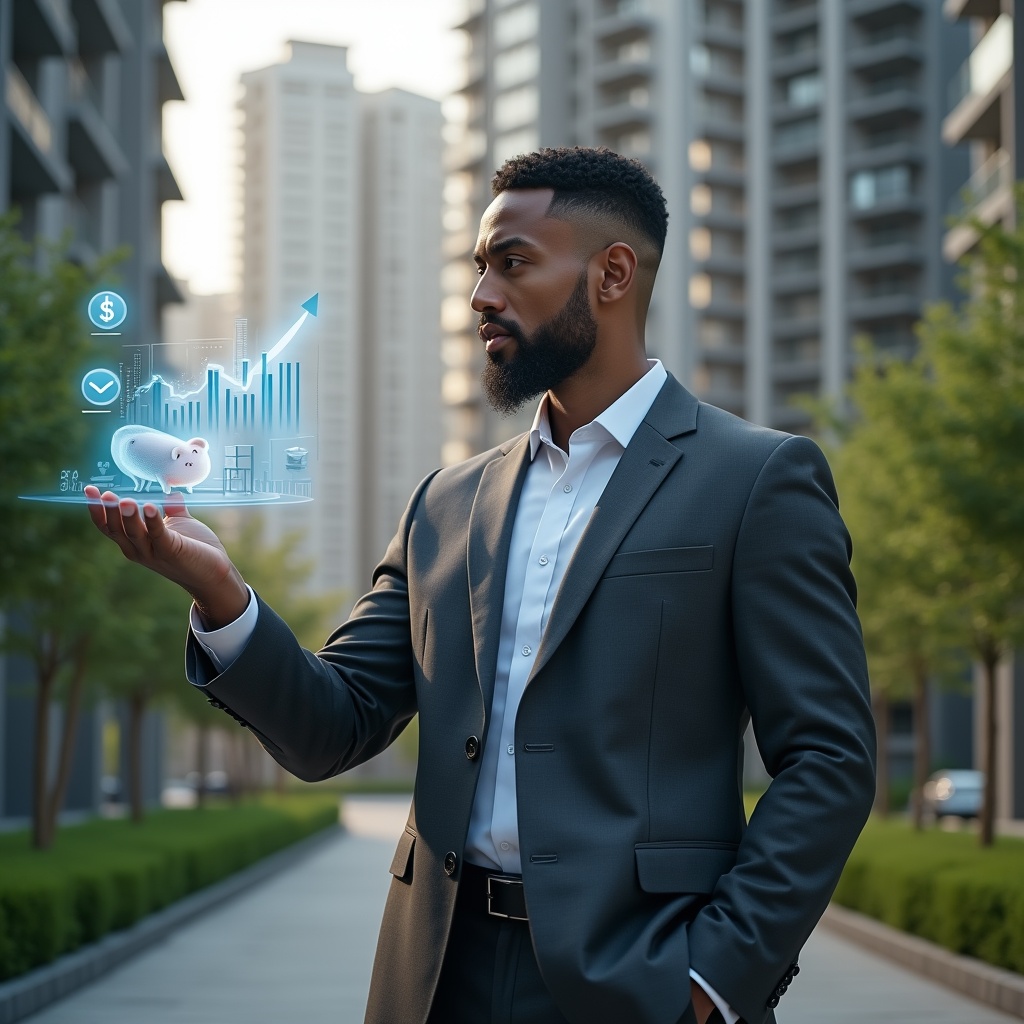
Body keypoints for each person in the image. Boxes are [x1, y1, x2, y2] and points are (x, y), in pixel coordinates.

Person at [85, 146, 875, 1024]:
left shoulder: (757, 480)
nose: (480, 297)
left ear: (613, 273)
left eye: (514, 264)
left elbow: (829, 760)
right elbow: (331, 726)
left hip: (638, 985)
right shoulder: (447, 504)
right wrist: (224, 596)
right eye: (478, 268)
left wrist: (710, 982)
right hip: (432, 980)